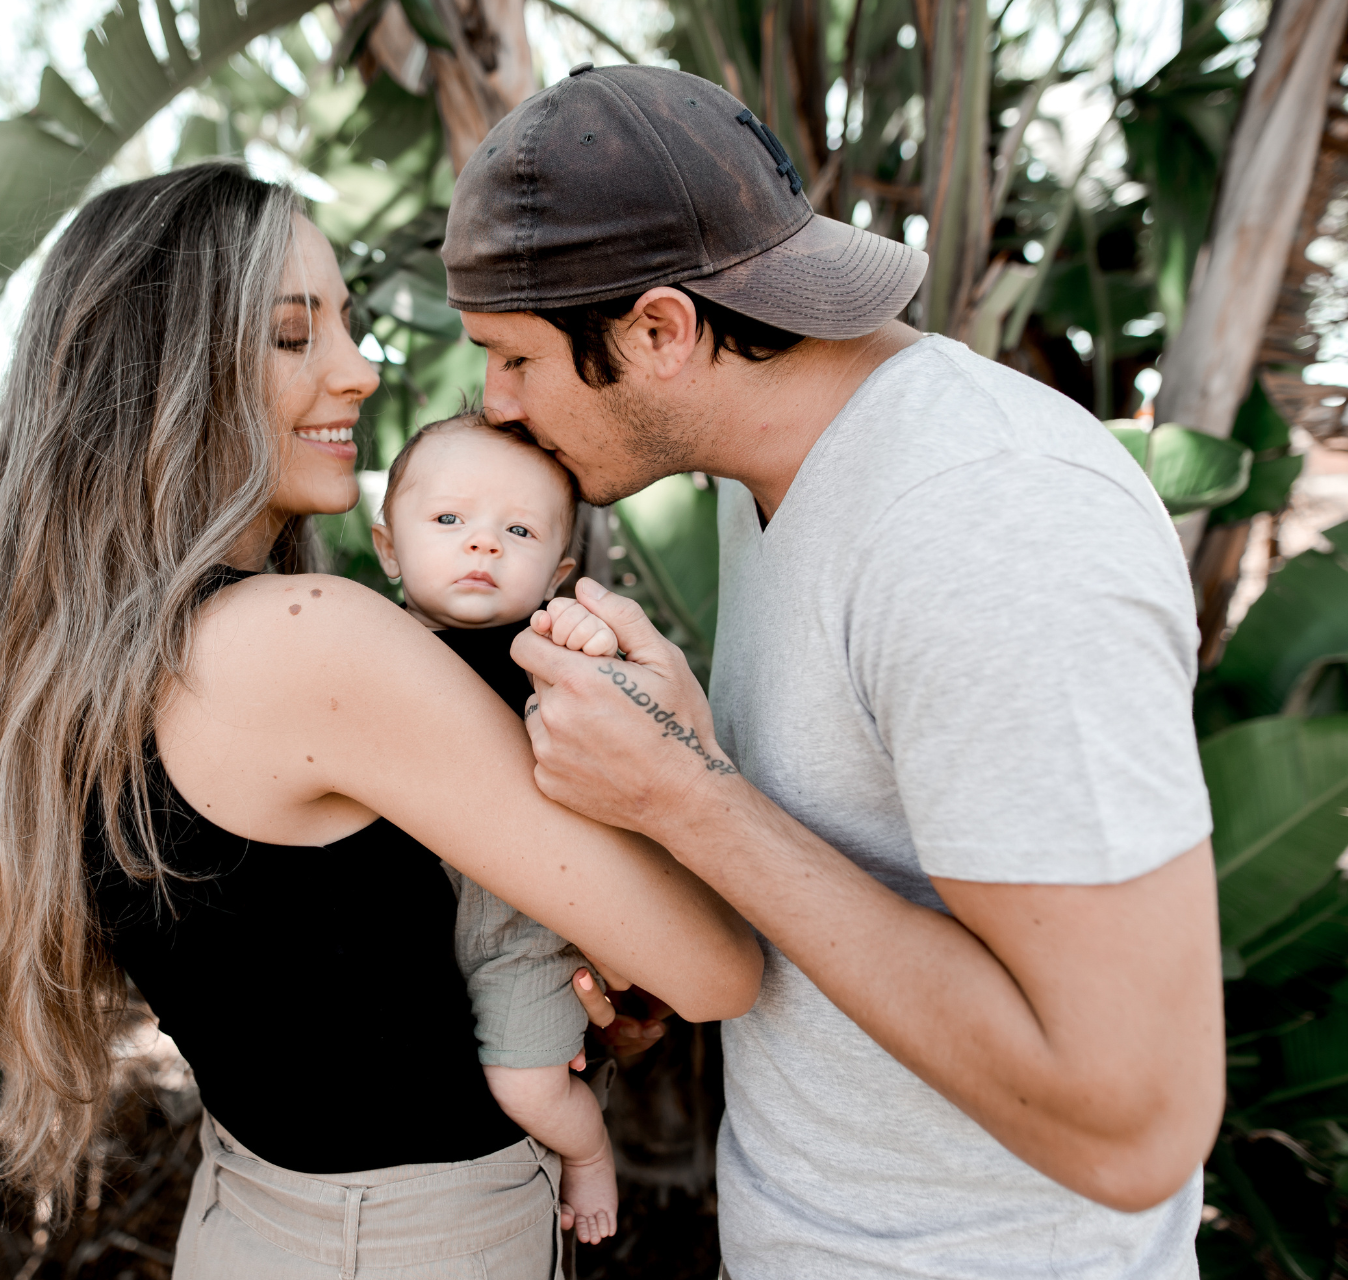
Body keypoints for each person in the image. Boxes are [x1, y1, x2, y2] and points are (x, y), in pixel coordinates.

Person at [441, 64, 1226, 1278]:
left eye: (512, 358)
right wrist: (693, 895)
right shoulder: (773, 476)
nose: (494, 409)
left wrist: (690, 798)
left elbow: (1134, 1121)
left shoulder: (988, 521)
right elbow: (861, 873)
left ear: (660, 331)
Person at [0, 162, 762, 1280]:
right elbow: (716, 969)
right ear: (168, 375)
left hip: (254, 1211)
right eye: (292, 334)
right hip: (410, 1238)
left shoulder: (86, 661)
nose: (360, 371)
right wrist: (683, 736)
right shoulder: (308, 638)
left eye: (349, 327)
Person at [369, 412, 623, 1244]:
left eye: (517, 531)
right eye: (448, 521)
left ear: (558, 570)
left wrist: (591, 643)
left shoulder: (545, 652)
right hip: (412, 928)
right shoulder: (368, 648)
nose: (483, 546)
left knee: (526, 1085)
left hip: (524, 931)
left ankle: (587, 1155)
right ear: (388, 548)